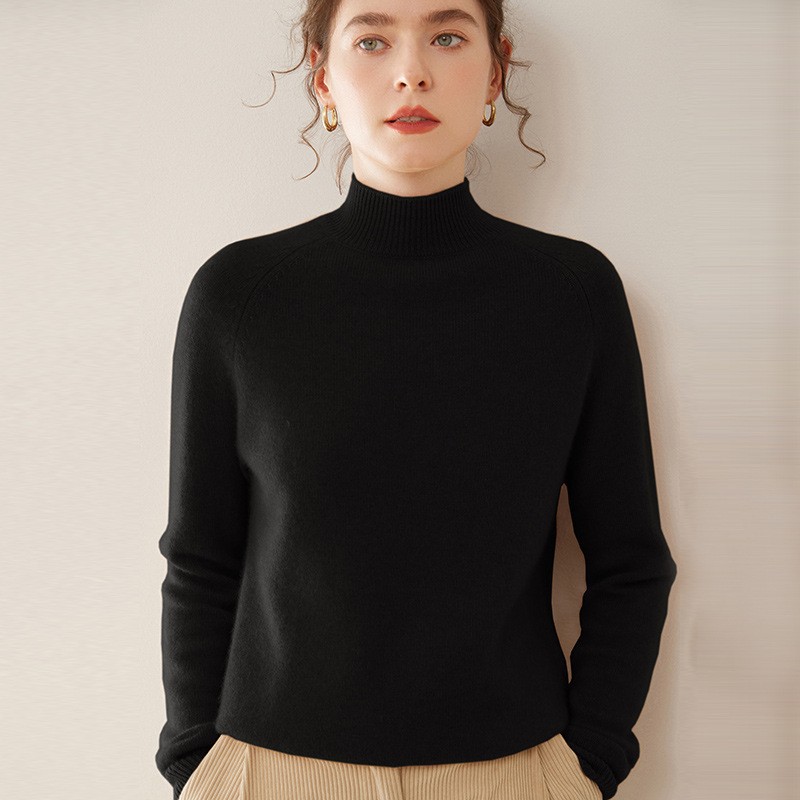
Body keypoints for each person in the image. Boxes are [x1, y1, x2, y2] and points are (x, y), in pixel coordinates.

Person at [154, 1, 678, 799]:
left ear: (494, 73)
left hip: (512, 774)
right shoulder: (240, 296)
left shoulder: (573, 296)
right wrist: (197, 762)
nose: (412, 72)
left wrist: (587, 765)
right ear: (323, 79)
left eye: (447, 37)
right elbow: (200, 557)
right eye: (372, 40)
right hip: (271, 771)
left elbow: (631, 561)